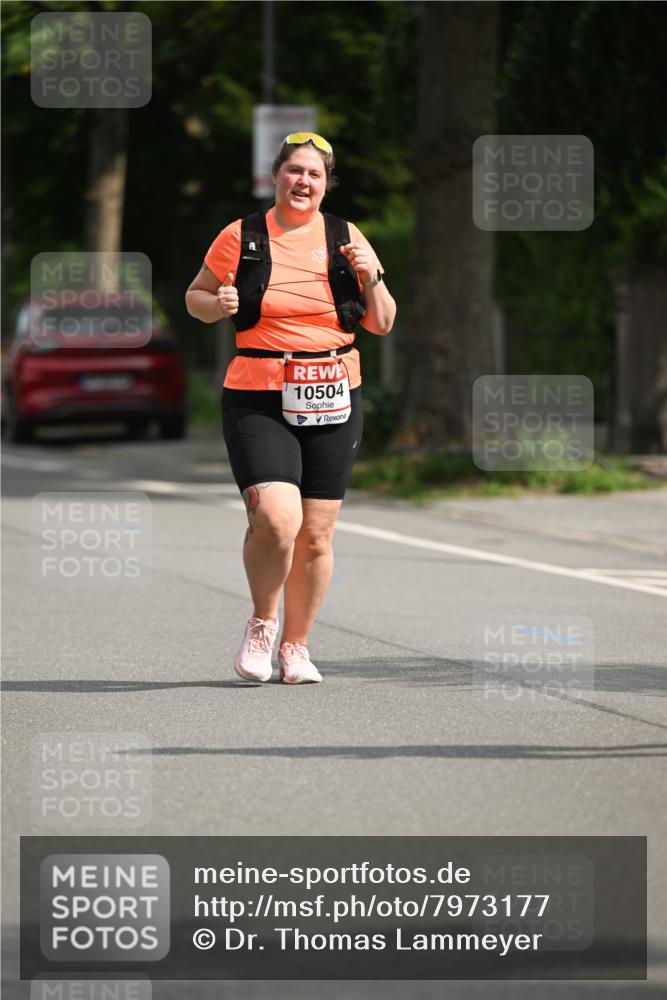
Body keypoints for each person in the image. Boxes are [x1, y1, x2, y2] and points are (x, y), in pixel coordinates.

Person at [185, 132, 396, 685]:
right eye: (294, 171)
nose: (303, 182)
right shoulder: (243, 235)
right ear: (276, 175)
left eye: (315, 175)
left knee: (317, 534)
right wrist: (218, 304)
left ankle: (296, 647)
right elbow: (196, 297)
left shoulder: (347, 238)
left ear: (326, 185)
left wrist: (371, 274)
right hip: (258, 391)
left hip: (334, 389)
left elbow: (382, 322)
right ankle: (263, 623)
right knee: (279, 520)